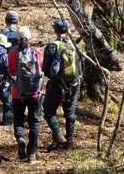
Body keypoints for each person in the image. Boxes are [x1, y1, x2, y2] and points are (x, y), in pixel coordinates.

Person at [43, 19, 82, 151]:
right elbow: (81, 67)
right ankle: (69, 141)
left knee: (48, 112)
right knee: (70, 113)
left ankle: (59, 137)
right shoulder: (75, 46)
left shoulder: (52, 46)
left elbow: (46, 70)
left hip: (57, 85)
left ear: (55, 30)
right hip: (74, 84)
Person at [8, 26, 43, 163]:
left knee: (18, 119)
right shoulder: (38, 53)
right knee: (34, 122)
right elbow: (42, 70)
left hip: (17, 92)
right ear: (29, 38)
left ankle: (21, 137)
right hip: (35, 93)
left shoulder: (12, 53)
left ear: (17, 39)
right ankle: (32, 153)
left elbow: (10, 71)